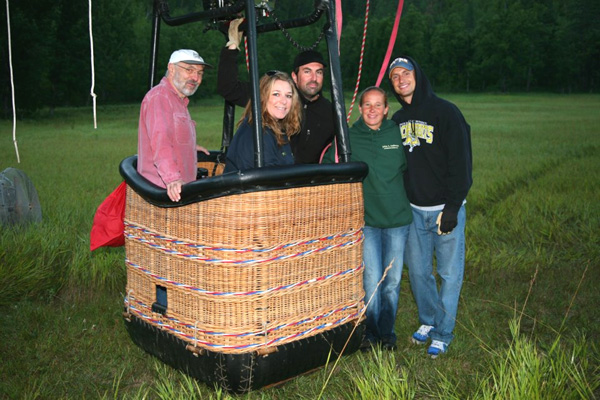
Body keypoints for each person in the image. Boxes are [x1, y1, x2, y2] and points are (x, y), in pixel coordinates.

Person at [388, 56, 473, 358]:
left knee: (449, 273)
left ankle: (443, 332)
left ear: (417, 75)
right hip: (413, 210)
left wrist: (452, 207)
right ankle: (428, 320)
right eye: (395, 76)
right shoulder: (397, 120)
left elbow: (461, 162)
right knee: (420, 272)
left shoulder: (446, 112)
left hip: (444, 210)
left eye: (405, 73)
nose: (400, 79)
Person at [322, 87, 412, 351]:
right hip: (368, 221)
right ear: (360, 108)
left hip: (397, 219)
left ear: (386, 109)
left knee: (392, 282)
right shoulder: (348, 137)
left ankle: (387, 334)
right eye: (367, 105)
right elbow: (330, 167)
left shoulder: (396, 133)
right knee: (371, 279)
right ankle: (370, 334)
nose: (372, 110)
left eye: (378, 105)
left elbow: (413, 166)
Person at [217, 18, 335, 164]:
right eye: (307, 71)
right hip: (278, 177)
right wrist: (232, 47)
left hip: (308, 182)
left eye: (319, 72)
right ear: (294, 76)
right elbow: (228, 87)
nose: (313, 78)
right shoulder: (274, 97)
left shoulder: (330, 112)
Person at [137, 49, 211, 202]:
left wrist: (189, 146)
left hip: (179, 191)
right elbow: (161, 141)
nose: (195, 78)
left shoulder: (179, 101)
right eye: (189, 70)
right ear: (171, 69)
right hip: (164, 193)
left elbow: (170, 133)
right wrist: (172, 179)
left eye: (200, 73)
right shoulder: (160, 97)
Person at [223, 71, 302, 172]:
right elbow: (269, 177)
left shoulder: (275, 129)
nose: (283, 101)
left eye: (288, 96)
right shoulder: (259, 131)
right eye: (276, 94)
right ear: (263, 97)